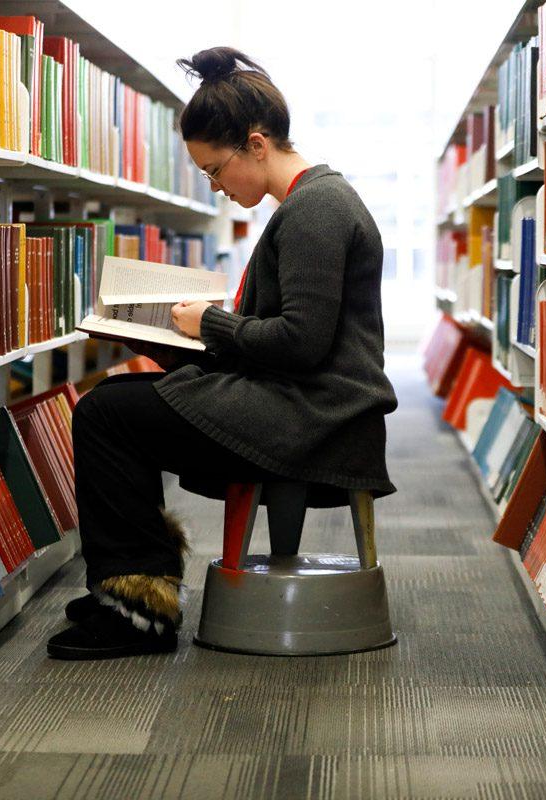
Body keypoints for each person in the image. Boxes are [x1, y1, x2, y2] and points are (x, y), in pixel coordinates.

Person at [47, 47, 398, 660]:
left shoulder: (316, 209)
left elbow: (301, 342)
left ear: (257, 146)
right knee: (116, 404)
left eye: (214, 170)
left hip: (315, 416)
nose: (214, 186)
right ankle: (133, 595)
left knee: (106, 415)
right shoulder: (309, 203)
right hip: (301, 401)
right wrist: (170, 338)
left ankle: (137, 611)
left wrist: (210, 324)